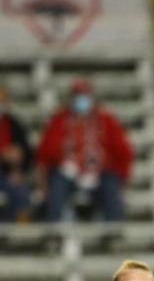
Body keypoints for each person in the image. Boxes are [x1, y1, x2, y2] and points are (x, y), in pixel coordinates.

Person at [36, 79, 133, 222]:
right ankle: (53, 232)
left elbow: (123, 152)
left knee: (111, 187)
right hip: (67, 173)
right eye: (78, 96)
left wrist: (123, 179)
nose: (82, 100)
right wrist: (42, 182)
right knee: (57, 186)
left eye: (85, 95)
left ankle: (114, 232)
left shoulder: (106, 121)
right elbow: (45, 153)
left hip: (99, 173)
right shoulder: (59, 120)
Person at [0, 84, 33, 222]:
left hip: (8, 174)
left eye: (2, 100)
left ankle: (19, 234)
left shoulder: (14, 124)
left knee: (21, 193)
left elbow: (27, 152)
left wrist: (19, 168)